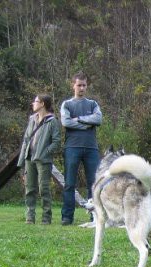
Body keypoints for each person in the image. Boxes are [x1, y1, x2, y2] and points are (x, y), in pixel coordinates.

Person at [60, 71, 102, 225]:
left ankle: (95, 217)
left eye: (84, 85)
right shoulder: (67, 104)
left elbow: (98, 119)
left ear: (87, 86)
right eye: (79, 85)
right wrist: (87, 124)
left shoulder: (93, 104)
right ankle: (67, 217)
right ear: (73, 86)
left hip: (91, 148)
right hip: (72, 147)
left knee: (94, 183)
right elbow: (66, 123)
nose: (82, 88)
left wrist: (78, 119)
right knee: (69, 183)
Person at [18, 94, 61, 224]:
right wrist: (21, 160)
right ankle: (30, 217)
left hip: (43, 161)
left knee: (44, 189)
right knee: (29, 188)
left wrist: (45, 152)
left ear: (42, 104)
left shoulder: (52, 121)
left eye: (35, 101)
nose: (33, 103)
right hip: (29, 158)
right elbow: (26, 139)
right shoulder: (32, 119)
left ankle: (46, 218)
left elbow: (56, 141)